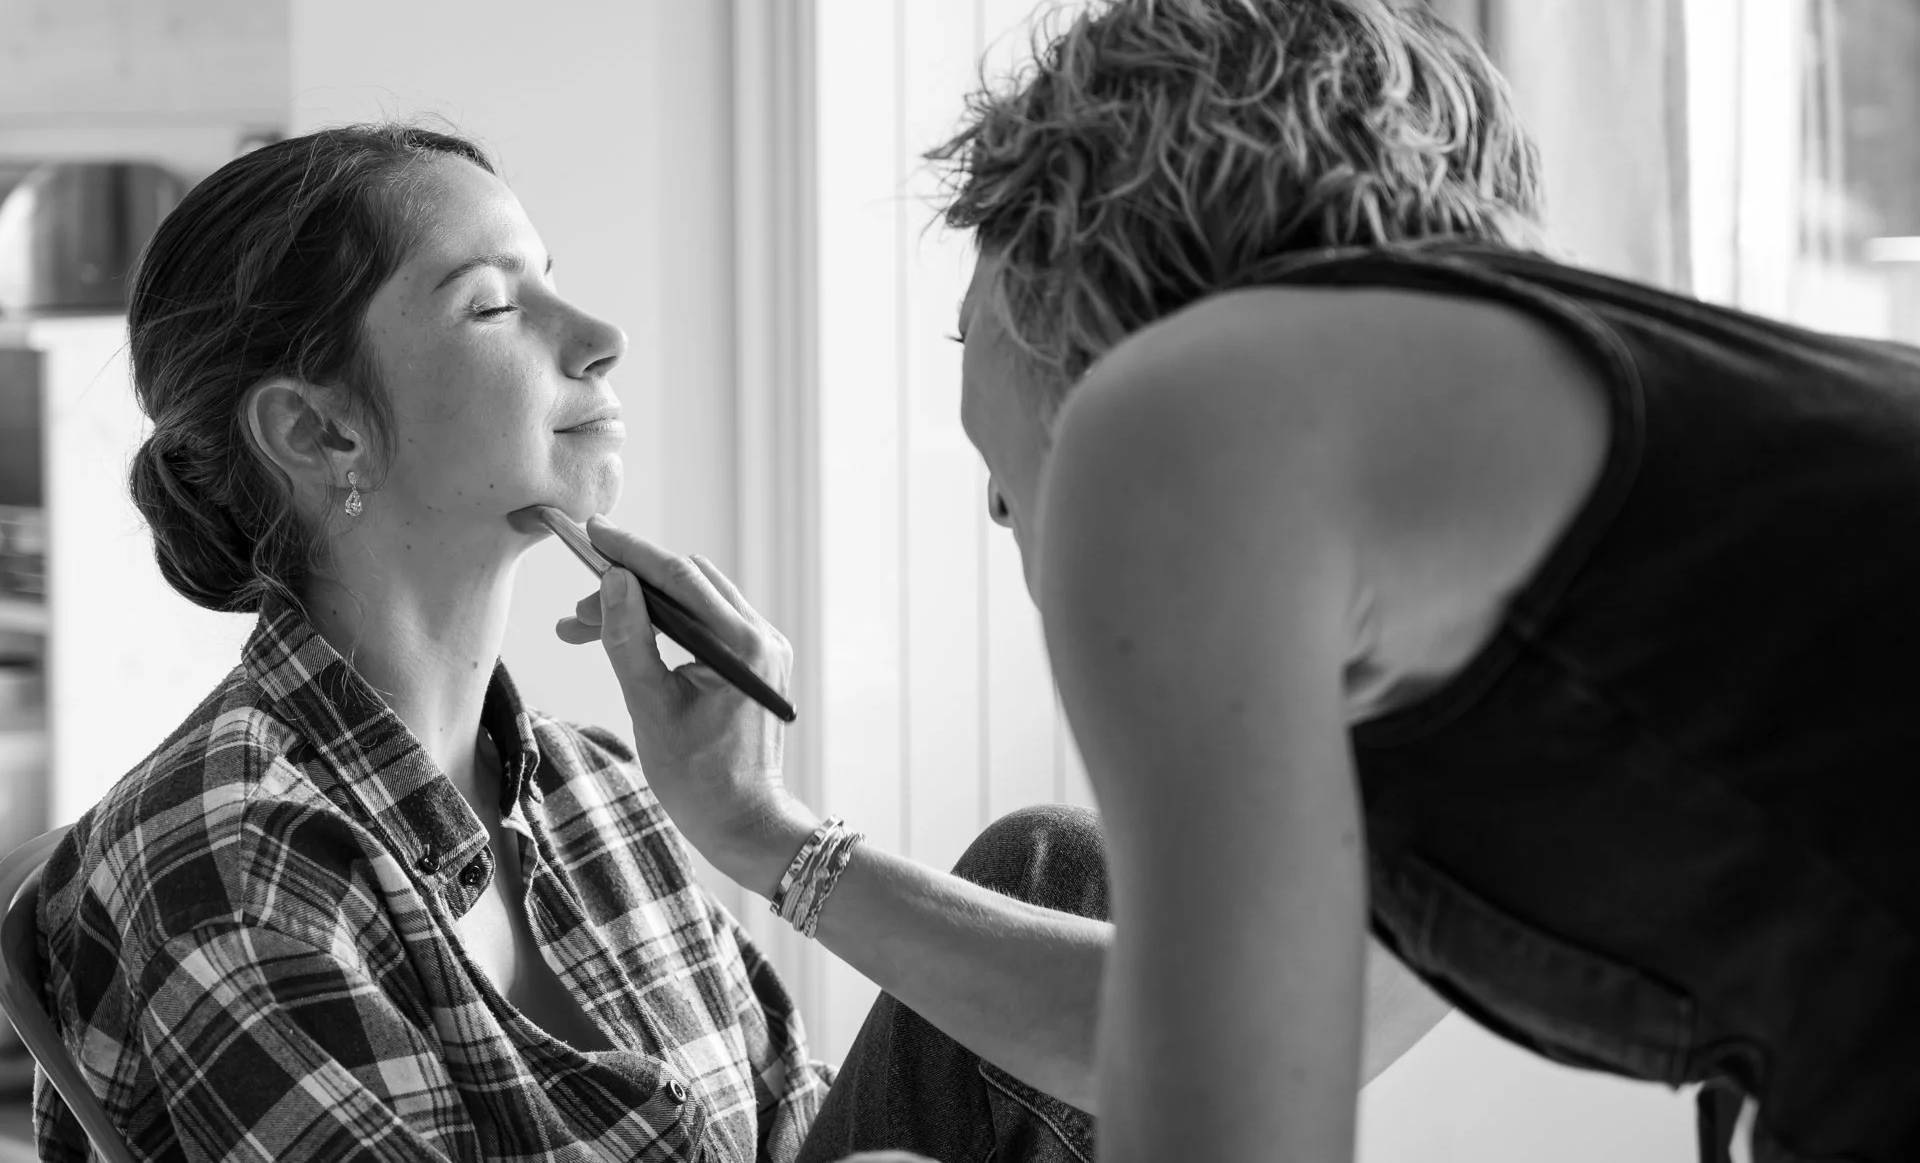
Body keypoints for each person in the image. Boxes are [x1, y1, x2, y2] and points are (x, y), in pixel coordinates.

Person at [579, 0, 1920, 1163]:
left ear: (1080, 283)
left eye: (1009, 491)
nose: (1040, 559)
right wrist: (763, 833)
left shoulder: (1181, 421)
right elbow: (1190, 1032)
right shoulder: (1556, 493)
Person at [31, 103, 1461, 1162]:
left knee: (1054, 870)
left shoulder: (600, 799)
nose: (595, 336)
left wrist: (759, 825)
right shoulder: (228, 848)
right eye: (493, 306)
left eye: (555, 279)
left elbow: (791, 1131)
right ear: (318, 427)